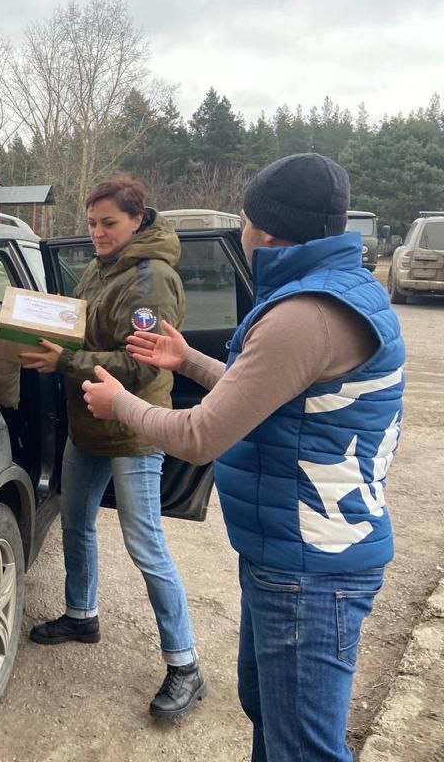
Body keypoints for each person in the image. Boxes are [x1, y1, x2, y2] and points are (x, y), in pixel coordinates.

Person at [83, 154, 405, 761]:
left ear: (265, 229)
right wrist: (188, 361)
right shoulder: (335, 294)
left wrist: (120, 402)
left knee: (301, 749)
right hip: (291, 552)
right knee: (271, 719)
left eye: (244, 219)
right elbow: (268, 393)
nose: (241, 231)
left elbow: (202, 436)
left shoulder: (304, 315)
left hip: (310, 570)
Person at [21, 175, 206, 721]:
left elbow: (142, 364)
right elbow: (85, 327)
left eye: (109, 223)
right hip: (89, 425)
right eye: (92, 223)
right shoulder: (104, 268)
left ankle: (185, 665)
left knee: (145, 544)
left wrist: (64, 361)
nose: (97, 233)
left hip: (132, 430)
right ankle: (82, 614)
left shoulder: (151, 279)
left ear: (137, 220)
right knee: (75, 522)